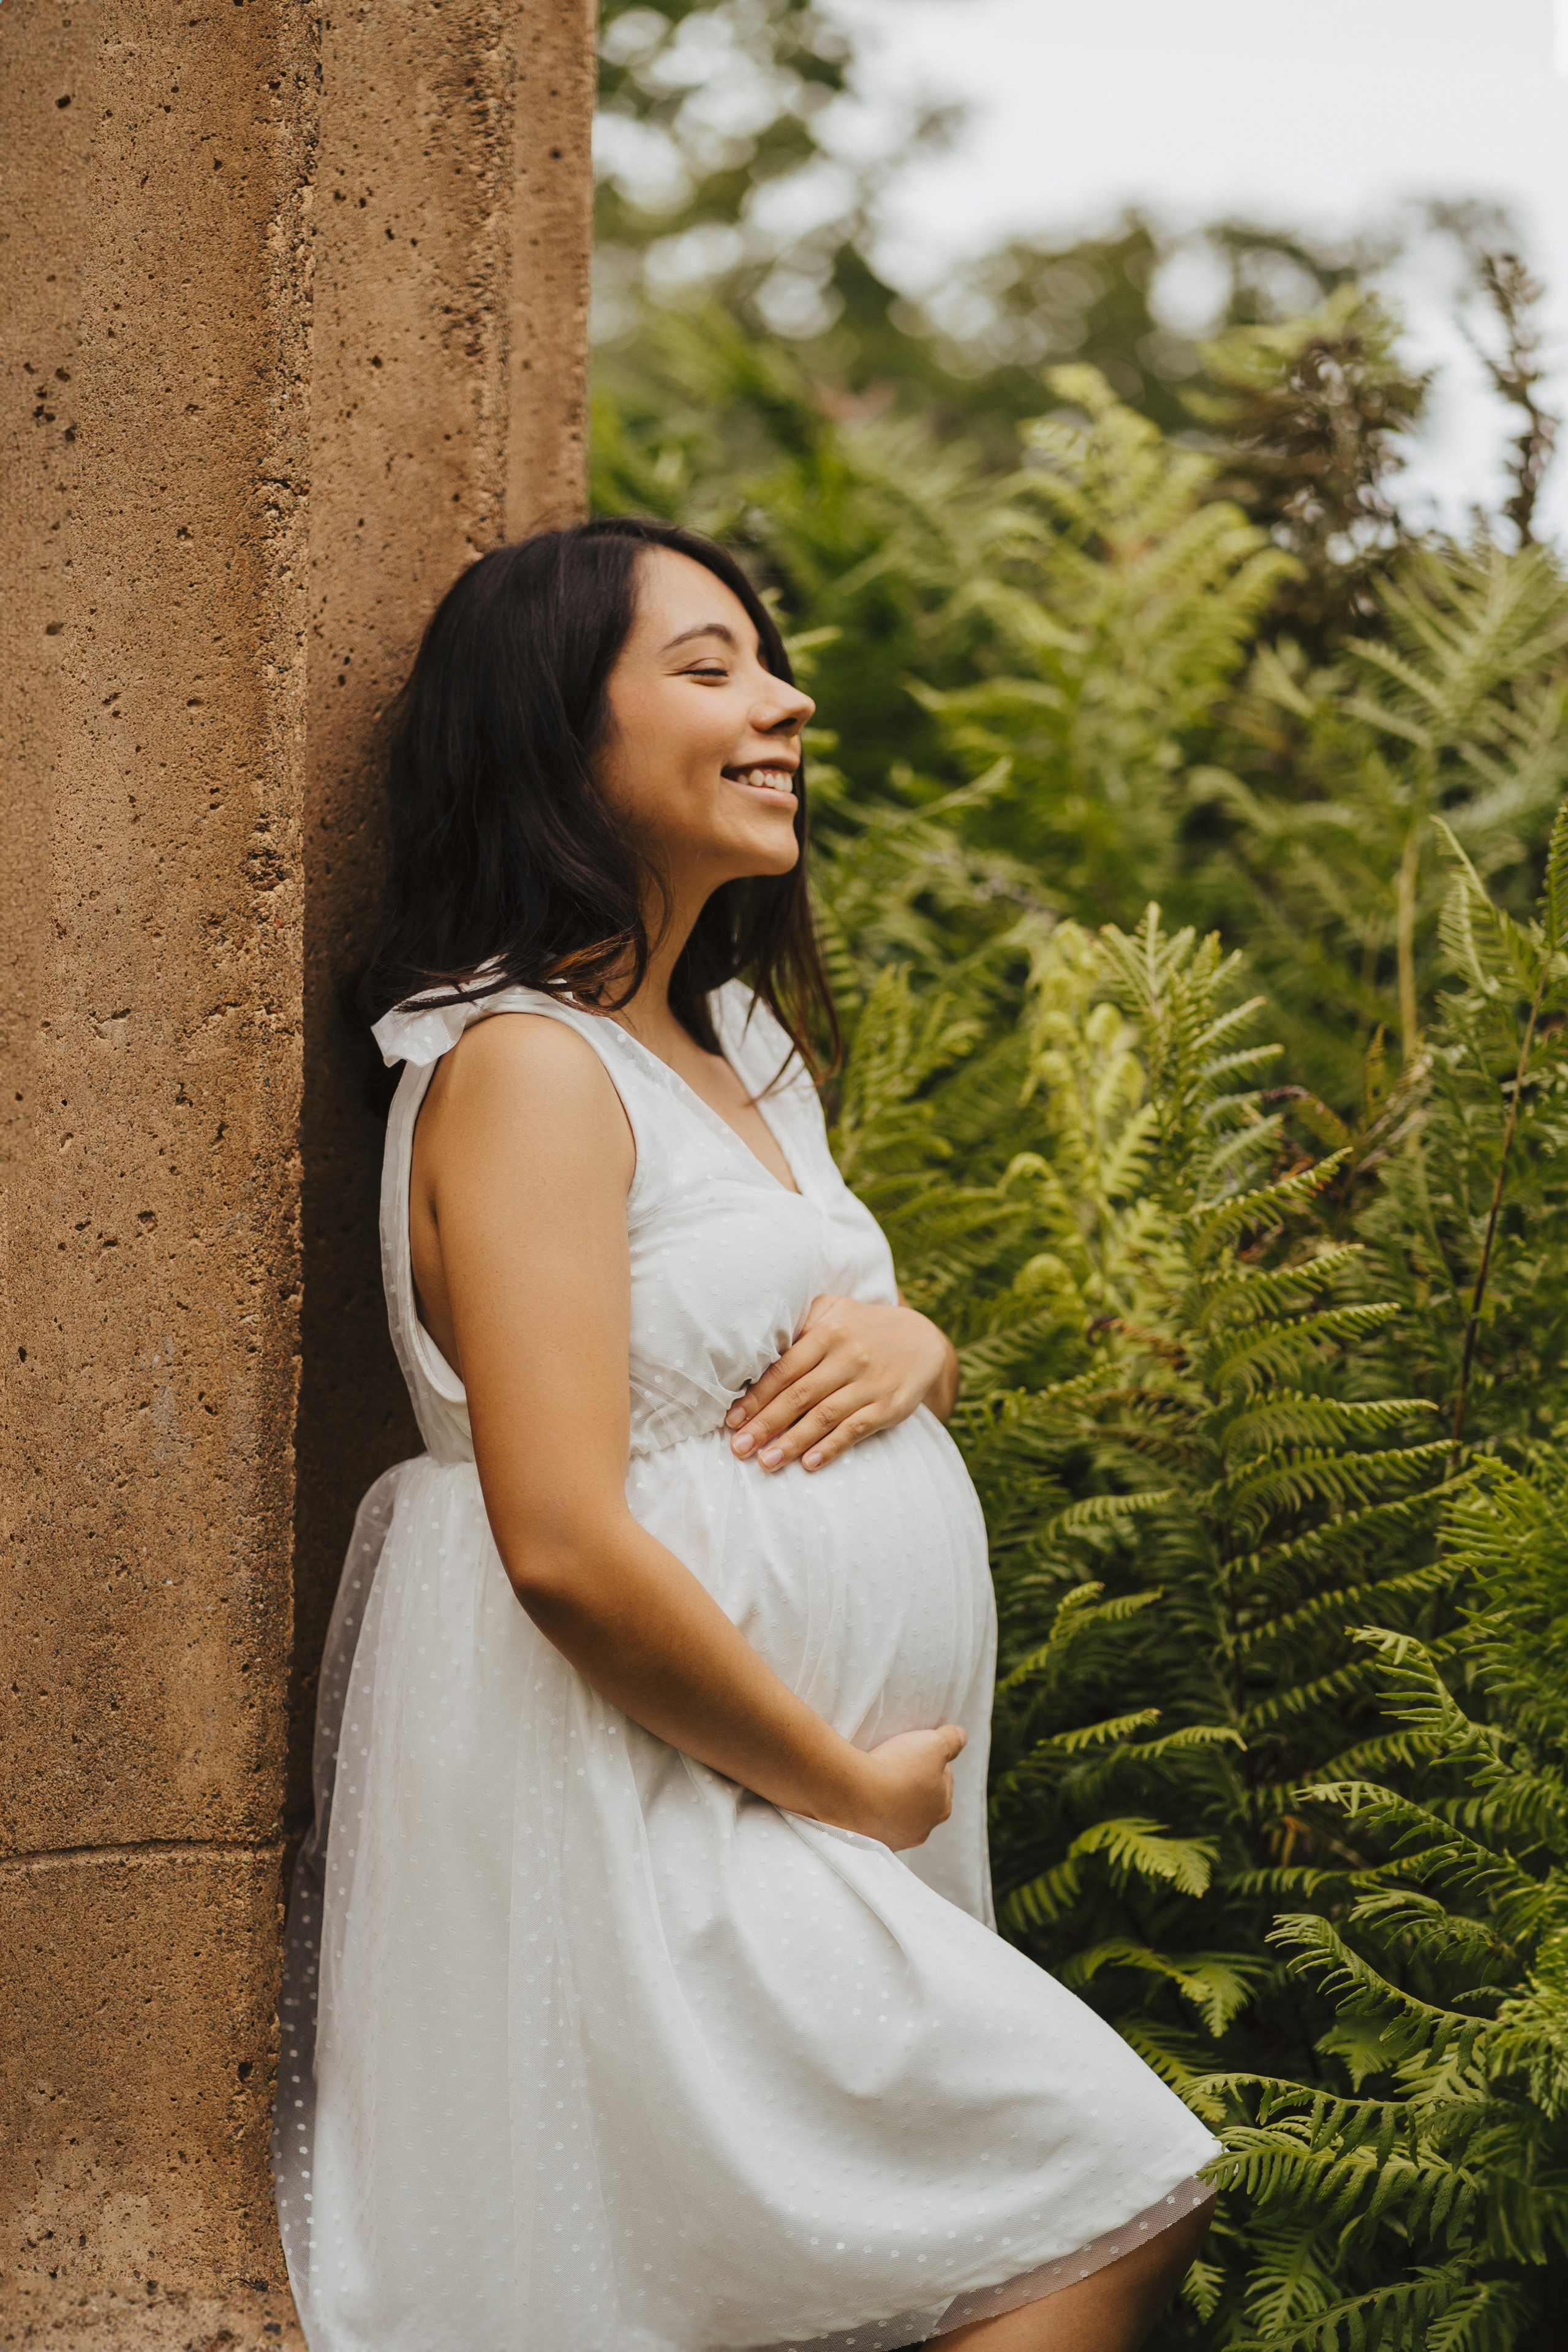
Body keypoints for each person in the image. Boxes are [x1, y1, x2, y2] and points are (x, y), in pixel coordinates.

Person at [273, 518, 1218, 2352]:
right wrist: (840, 1784)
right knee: (1098, 2187)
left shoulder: (734, 1050)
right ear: (556, 735)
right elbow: (554, 1531)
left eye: (767, 662)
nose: (783, 700)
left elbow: (760, 1331)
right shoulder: (527, 1069)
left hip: (777, 1799)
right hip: (668, 1794)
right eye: (706, 667)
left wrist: (918, 1347)